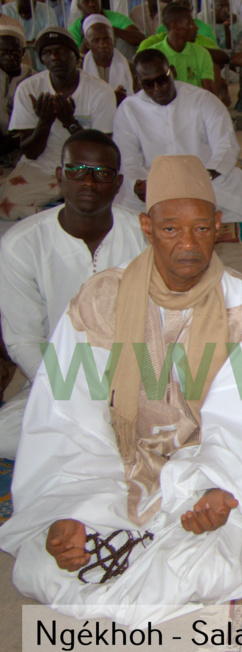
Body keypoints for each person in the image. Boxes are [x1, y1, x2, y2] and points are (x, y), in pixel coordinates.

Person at [0, 154, 242, 626]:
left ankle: (151, 544)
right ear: (146, 226)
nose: (188, 245)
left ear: (218, 226)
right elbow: (66, 416)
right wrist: (69, 509)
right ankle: (111, 537)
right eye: (171, 229)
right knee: (43, 559)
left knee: (211, 566)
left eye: (200, 228)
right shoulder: (100, 299)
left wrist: (218, 492)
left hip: (197, 473)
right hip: (108, 468)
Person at [0, 130, 147, 460]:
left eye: (101, 173)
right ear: (59, 176)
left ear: (118, 182)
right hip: (58, 377)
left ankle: (95, 441)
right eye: (76, 170)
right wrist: (73, 390)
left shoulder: (143, 235)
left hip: (136, 374)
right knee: (6, 436)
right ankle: (109, 442)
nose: (88, 183)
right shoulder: (21, 244)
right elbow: (23, 339)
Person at [113, 50, 242, 223]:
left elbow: (226, 145)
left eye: (162, 80)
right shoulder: (128, 109)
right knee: (121, 192)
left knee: (234, 178)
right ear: (138, 82)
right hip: (155, 183)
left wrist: (204, 176)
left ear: (172, 72)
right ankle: (197, 217)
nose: (157, 88)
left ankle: (176, 218)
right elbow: (127, 159)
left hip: (201, 179)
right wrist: (139, 183)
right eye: (148, 84)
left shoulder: (203, 99)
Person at [0, 27, 116, 221]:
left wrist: (69, 122)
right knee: (6, 205)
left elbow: (102, 150)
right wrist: (44, 123)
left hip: (85, 166)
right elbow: (30, 152)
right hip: (41, 166)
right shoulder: (29, 88)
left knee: (113, 199)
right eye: (47, 52)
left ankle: (62, 210)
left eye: (61, 50)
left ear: (76, 56)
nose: (54, 57)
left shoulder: (100, 91)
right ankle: (63, 216)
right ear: (41, 60)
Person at [145, 3, 216, 93]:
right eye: (190, 23)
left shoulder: (202, 53)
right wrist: (165, 80)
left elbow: (209, 93)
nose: (196, 27)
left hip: (195, 105)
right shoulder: (153, 55)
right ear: (175, 26)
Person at [0, 19, 33, 165]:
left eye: (14, 52)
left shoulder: (34, 79)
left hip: (23, 144)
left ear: (23, 52)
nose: (9, 57)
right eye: (4, 52)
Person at [82, 14, 135, 104]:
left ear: (113, 39)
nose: (102, 44)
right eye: (96, 40)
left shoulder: (129, 67)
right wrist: (111, 98)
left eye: (106, 39)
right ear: (87, 44)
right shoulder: (80, 68)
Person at [69, 0, 145, 60]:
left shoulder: (115, 17)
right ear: (79, 6)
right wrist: (88, 37)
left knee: (125, 41)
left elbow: (141, 38)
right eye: (86, 1)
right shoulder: (75, 29)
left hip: (121, 62)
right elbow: (78, 60)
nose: (91, 4)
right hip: (92, 70)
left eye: (94, 0)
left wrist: (109, 30)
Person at [1, 0, 58, 70]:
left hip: (41, 53)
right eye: (22, 13)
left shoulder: (47, 11)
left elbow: (51, 34)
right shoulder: (6, 10)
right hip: (17, 56)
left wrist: (39, 41)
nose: (25, 15)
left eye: (28, 12)